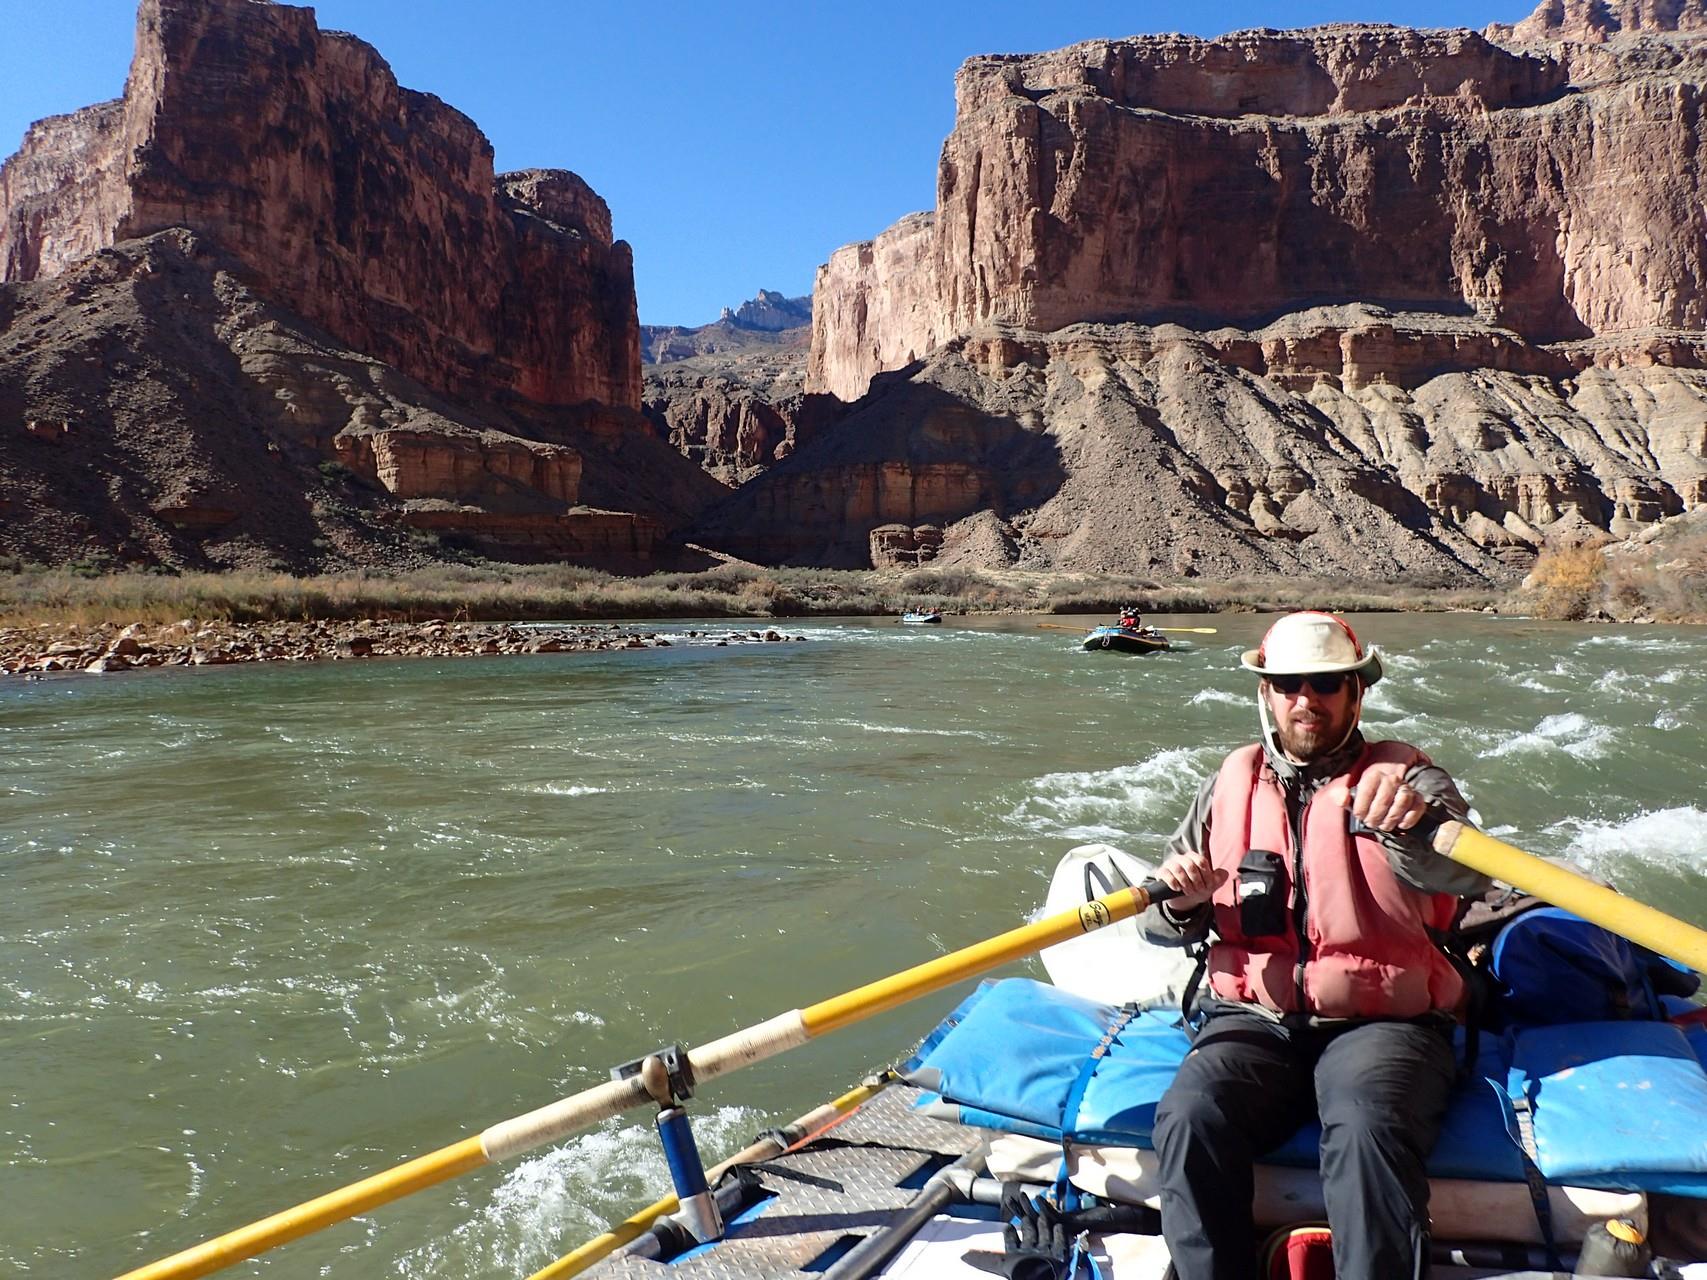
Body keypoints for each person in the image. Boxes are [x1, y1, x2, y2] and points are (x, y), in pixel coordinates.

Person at [1143, 610, 1491, 1280]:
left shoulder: (1412, 785)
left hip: (1383, 1025)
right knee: (1189, 1116)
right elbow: (1159, 925)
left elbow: (1467, 874)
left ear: (1355, 693)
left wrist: (1410, 831)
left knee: (1365, 1126)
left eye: (1326, 683)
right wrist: (1182, 903)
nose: (1306, 698)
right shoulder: (1225, 786)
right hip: (1253, 1023)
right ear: (1266, 695)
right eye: (1289, 684)